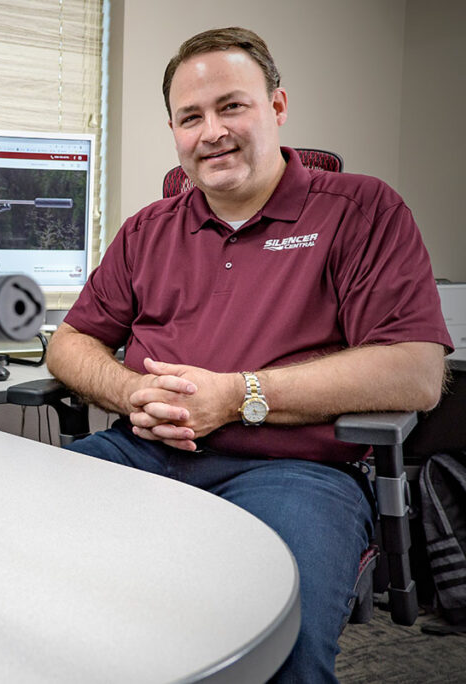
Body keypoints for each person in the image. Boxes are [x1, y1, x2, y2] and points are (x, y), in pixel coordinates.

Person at [46, 26, 452, 683]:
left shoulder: (362, 211)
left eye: (231, 106)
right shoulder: (148, 229)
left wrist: (239, 395)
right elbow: (70, 340)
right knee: (16, 566)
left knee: (275, 644)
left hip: (297, 472)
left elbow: (417, 369)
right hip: (140, 453)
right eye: (190, 117)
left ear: (277, 107)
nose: (212, 132)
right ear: (174, 131)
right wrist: (129, 392)